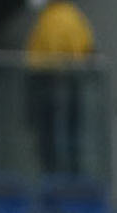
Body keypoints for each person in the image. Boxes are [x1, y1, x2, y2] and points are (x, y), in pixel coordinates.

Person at [23, 0, 96, 179]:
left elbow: (36, 59)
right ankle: (71, 176)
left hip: (51, 83)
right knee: (69, 134)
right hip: (68, 82)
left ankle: (57, 177)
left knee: (53, 137)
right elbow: (88, 49)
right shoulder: (73, 16)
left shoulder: (51, 19)